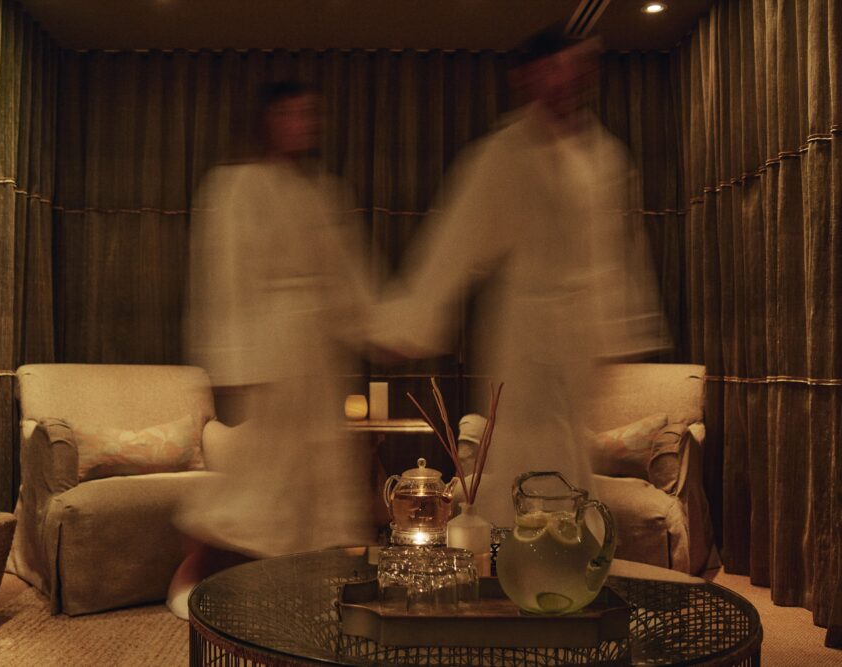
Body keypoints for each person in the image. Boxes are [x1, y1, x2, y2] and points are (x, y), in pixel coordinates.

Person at [369, 27, 668, 528]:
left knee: (570, 453)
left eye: (574, 67)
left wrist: (622, 329)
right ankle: (519, 556)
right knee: (524, 449)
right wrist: (409, 321)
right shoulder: (504, 154)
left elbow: (619, 252)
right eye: (552, 68)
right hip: (525, 328)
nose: (565, 79)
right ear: (528, 77)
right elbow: (459, 236)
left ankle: (573, 561)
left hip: (578, 336)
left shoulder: (604, 155)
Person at [167, 81, 375, 618]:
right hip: (270, 353)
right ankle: (192, 568)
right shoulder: (234, 187)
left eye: (309, 116)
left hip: (318, 360)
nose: (302, 126)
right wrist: (235, 365)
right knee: (263, 479)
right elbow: (223, 278)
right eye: (291, 115)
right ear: (267, 120)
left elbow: (348, 279)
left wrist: (381, 328)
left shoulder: (324, 192)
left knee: (319, 481)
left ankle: (295, 600)